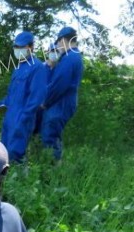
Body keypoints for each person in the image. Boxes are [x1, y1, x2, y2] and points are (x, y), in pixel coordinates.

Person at [0, 31, 47, 163]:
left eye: (21, 47)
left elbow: (36, 98)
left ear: (31, 47)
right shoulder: (18, 68)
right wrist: (0, 105)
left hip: (23, 118)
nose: (18, 50)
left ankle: (20, 180)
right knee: (3, 151)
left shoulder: (37, 67)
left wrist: (24, 118)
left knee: (15, 153)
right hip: (10, 115)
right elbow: (11, 94)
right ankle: (5, 180)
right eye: (16, 47)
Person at [40, 27, 84, 163]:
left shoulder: (70, 58)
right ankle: (54, 167)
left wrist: (45, 102)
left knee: (50, 135)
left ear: (63, 40)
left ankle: (52, 171)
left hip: (62, 102)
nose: (58, 47)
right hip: (64, 101)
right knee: (52, 133)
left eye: (58, 43)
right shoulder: (73, 57)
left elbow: (58, 85)